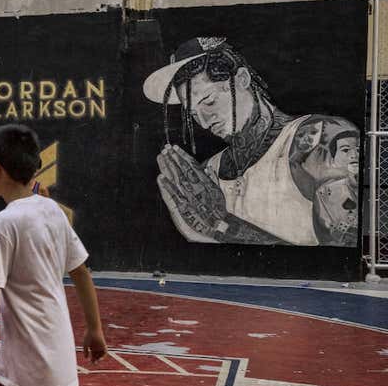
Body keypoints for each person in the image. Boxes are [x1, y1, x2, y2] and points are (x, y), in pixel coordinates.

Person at [0, 124, 106, 386]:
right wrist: (94, 330)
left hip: (39, 365)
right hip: (16, 364)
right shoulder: (51, 210)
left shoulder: (4, 223)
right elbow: (80, 270)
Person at [144, 37, 360, 245]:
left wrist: (223, 225)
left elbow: (337, 254)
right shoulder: (209, 171)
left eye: (209, 101)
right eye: (193, 114)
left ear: (242, 79)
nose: (203, 121)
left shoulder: (319, 138)